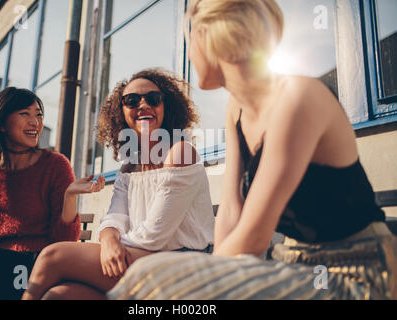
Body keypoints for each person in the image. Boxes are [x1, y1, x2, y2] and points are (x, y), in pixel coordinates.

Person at [107, 0, 397, 300]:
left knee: (155, 281)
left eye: (190, 40)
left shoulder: (298, 98)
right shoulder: (237, 110)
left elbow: (255, 235)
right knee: (149, 277)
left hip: (356, 275)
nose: (190, 55)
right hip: (294, 266)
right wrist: (211, 273)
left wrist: (205, 279)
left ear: (207, 35)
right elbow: (233, 211)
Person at [21, 69, 215, 300]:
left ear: (167, 106)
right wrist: (109, 240)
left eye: (153, 98)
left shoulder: (181, 153)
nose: (142, 105)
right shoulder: (129, 166)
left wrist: (111, 246)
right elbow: (115, 217)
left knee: (53, 256)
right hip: (141, 260)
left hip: (183, 267)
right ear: (121, 113)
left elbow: (155, 234)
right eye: (131, 100)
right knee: (59, 295)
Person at [0, 87, 105, 300]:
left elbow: (64, 241)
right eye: (25, 114)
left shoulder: (55, 165)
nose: (35, 122)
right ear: (1, 123)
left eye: (39, 115)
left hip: (38, 267)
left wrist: (70, 197)